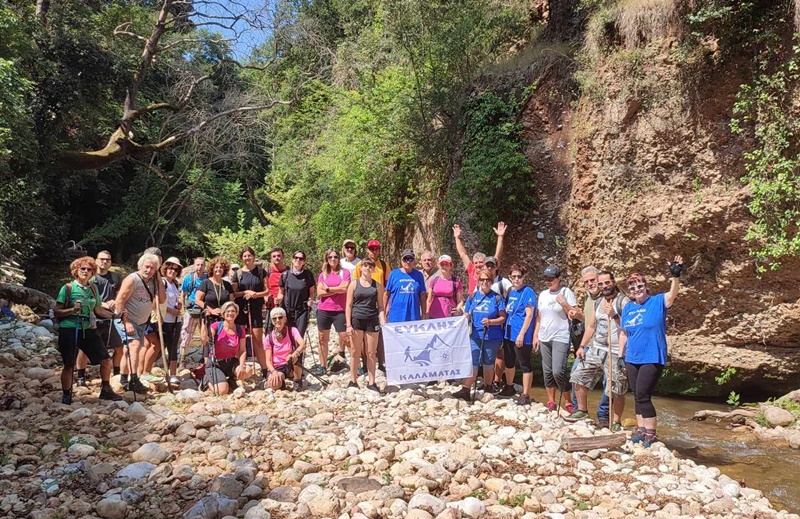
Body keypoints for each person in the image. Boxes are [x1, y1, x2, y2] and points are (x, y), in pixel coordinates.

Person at [620, 255, 684, 447]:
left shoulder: (657, 302)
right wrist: (620, 355)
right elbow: (624, 333)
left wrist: (675, 275)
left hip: (652, 355)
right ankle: (640, 430)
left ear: (646, 286)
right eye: (632, 288)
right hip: (632, 356)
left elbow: (673, 294)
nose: (636, 290)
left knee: (643, 394)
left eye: (639, 286)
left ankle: (651, 433)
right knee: (636, 394)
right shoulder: (628, 308)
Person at [54, 257, 122, 404]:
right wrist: (72, 310)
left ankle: (106, 390)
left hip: (88, 329)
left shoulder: (93, 288)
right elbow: (57, 311)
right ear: (76, 271)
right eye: (82, 269)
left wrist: (115, 316)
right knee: (69, 364)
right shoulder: (68, 288)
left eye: (89, 269)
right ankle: (66, 395)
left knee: (105, 359)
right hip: (69, 329)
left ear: (92, 272)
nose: (85, 271)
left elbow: (98, 310)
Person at [568, 270, 630, 429]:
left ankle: (616, 421)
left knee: (616, 389)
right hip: (597, 348)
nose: (604, 286)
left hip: (616, 352)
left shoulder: (624, 302)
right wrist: (582, 346)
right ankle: (582, 410)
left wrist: (615, 315)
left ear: (614, 282)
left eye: (607, 282)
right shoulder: (598, 301)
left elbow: (629, 327)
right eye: (601, 283)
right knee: (578, 376)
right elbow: (591, 326)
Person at [114, 253, 166, 393]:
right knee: (134, 346)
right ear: (141, 265)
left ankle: (124, 379)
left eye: (153, 268)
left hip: (142, 322)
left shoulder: (153, 282)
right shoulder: (132, 279)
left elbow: (161, 299)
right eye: (147, 267)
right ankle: (134, 379)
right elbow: (120, 301)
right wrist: (126, 321)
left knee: (129, 350)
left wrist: (159, 279)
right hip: (127, 320)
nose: (149, 270)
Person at [452, 272, 507, 401]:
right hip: (476, 336)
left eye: (488, 279)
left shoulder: (497, 298)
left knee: (488, 363)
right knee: (473, 361)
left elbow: (503, 317)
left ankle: (488, 387)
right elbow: (468, 313)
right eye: (482, 279)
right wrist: (465, 316)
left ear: (491, 281)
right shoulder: (473, 297)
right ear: (478, 281)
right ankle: (466, 389)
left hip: (492, 337)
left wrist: (491, 322)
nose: (485, 282)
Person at [532, 265, 578, 412]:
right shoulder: (543, 294)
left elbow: (574, 313)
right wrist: (535, 335)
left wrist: (563, 302)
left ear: (558, 279)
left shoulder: (566, 292)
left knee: (558, 370)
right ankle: (551, 401)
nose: (548, 281)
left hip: (561, 335)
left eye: (551, 278)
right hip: (544, 336)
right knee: (547, 371)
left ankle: (568, 401)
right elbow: (539, 317)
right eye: (546, 278)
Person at [75, 251, 123, 385]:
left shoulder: (115, 277)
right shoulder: (89, 276)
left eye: (108, 260)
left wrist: (116, 302)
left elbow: (120, 294)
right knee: (84, 349)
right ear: (96, 260)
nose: (104, 262)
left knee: (119, 347)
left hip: (110, 318)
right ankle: (81, 376)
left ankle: (116, 375)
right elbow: (84, 295)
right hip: (91, 318)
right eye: (102, 259)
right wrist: (102, 304)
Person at [570, 266, 611, 425]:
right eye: (586, 282)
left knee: (609, 382)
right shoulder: (589, 298)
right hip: (590, 344)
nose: (590, 284)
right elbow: (589, 323)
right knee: (576, 373)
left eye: (592, 280)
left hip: (608, 347)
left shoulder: (609, 297)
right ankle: (579, 410)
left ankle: (604, 414)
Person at [345, 258, 387, 391]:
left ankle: (372, 382)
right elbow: (349, 305)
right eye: (365, 266)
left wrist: (383, 319)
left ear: (373, 269)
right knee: (355, 351)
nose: (368, 269)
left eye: (370, 266)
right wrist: (348, 325)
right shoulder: (354, 284)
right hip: (357, 320)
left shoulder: (377, 286)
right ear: (361, 268)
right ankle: (353, 380)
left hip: (372, 320)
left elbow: (380, 306)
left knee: (371, 352)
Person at [231, 246, 269, 379]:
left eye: (249, 255)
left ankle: (265, 369)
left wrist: (255, 294)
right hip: (241, 310)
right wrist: (246, 292)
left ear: (253, 256)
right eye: (244, 256)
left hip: (256, 309)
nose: (247, 258)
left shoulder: (261, 272)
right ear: (242, 258)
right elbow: (234, 293)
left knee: (258, 340)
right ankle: (239, 368)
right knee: (240, 340)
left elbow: (267, 291)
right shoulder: (238, 274)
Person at [502, 265, 537, 405]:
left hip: (521, 334)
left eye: (519, 276)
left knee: (524, 364)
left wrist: (522, 334)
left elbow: (529, 315)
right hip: (509, 333)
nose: (516, 279)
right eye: (514, 276)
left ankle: (525, 394)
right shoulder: (511, 292)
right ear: (510, 277)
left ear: (524, 277)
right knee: (509, 362)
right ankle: (509, 386)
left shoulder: (528, 292)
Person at [353, 239, 390, 372]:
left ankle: (381, 363)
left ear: (379, 250)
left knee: (378, 336)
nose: (374, 251)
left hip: (378, 304)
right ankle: (364, 364)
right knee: (361, 338)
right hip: (362, 305)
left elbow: (387, 287)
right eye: (371, 249)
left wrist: (386, 307)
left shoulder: (384, 265)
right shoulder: (360, 265)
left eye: (376, 249)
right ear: (367, 250)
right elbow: (355, 285)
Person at [316, 248, 351, 373]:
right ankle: (323, 365)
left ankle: (356, 363)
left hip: (339, 310)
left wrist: (328, 289)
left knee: (346, 338)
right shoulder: (323, 274)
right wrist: (336, 289)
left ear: (338, 258)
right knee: (322, 339)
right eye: (330, 257)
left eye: (335, 257)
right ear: (327, 259)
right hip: (324, 310)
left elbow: (345, 288)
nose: (333, 259)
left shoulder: (344, 272)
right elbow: (319, 293)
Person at [204, 301, 248, 395]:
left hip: (231, 362)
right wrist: (204, 321)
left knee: (248, 370)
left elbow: (243, 350)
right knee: (222, 391)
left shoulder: (240, 329)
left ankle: (231, 379)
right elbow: (205, 339)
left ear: (236, 313)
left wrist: (242, 365)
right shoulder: (216, 326)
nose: (230, 313)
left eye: (233, 311)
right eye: (227, 311)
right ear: (223, 314)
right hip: (216, 363)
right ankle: (207, 380)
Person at [452, 221, 507, 293]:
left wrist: (500, 236)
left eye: (481, 262)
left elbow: (498, 256)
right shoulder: (472, 269)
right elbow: (463, 254)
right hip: (472, 301)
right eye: (476, 263)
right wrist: (457, 238)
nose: (478, 265)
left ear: (485, 263)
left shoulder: (489, 271)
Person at [263, 307, 307, 391]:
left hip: (290, 363)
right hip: (277, 367)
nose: (277, 320)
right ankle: (281, 383)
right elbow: (268, 360)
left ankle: (297, 380)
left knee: (295, 357)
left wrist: (295, 353)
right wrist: (273, 371)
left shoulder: (292, 330)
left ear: (285, 319)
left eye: (280, 317)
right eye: (274, 318)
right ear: (272, 321)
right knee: (274, 384)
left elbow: (302, 344)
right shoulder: (269, 337)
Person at [195, 256, 234, 346]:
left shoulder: (227, 285)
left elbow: (231, 302)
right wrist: (211, 310)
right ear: (212, 269)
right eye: (216, 267)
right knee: (208, 341)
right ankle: (207, 360)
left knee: (223, 341)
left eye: (221, 267)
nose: (218, 269)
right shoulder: (205, 283)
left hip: (224, 318)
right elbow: (197, 300)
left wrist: (225, 312)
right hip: (209, 317)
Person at [279, 250, 316, 339]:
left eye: (301, 258)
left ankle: (299, 353)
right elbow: (281, 292)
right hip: (287, 310)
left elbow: (312, 292)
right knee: (288, 335)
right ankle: (290, 352)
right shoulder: (285, 275)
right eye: (296, 258)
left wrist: (311, 300)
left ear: (304, 261)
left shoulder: (308, 275)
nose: (298, 260)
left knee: (299, 335)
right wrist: (278, 300)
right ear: (292, 259)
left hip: (302, 311)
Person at [384, 249, 428, 323]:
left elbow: (423, 296)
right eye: (405, 259)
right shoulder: (393, 274)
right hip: (396, 317)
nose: (408, 262)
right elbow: (386, 294)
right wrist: (384, 313)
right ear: (401, 260)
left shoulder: (419, 275)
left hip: (413, 317)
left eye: (410, 259)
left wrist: (424, 315)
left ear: (414, 261)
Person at [160, 257, 184, 386]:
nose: (172, 271)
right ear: (165, 268)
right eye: (170, 268)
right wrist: (171, 310)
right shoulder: (162, 283)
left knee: (173, 347)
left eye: (175, 269)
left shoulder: (175, 284)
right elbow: (159, 302)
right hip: (165, 320)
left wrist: (178, 306)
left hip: (176, 320)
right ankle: (144, 371)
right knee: (157, 347)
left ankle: (173, 374)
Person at [179, 257, 207, 367]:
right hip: (190, 310)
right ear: (194, 265)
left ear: (205, 266)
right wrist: (182, 310)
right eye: (198, 265)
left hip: (204, 310)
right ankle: (182, 359)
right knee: (186, 335)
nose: (199, 267)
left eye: (202, 265)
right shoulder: (188, 278)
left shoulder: (207, 278)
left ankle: (204, 358)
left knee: (205, 335)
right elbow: (183, 294)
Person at [425, 254, 464, 319]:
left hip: (449, 316)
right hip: (434, 315)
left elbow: (460, 301)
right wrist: (426, 313)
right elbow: (429, 300)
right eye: (442, 264)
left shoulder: (456, 282)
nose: (444, 266)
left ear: (451, 266)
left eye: (446, 264)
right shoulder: (434, 281)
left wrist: (457, 309)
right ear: (438, 266)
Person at [266, 247, 288, 332]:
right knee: (269, 330)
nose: (277, 258)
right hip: (271, 305)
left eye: (279, 255)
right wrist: (268, 298)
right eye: (274, 256)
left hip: (286, 304)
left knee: (285, 329)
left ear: (283, 257)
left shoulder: (289, 271)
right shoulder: (267, 271)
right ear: (271, 258)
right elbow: (264, 287)